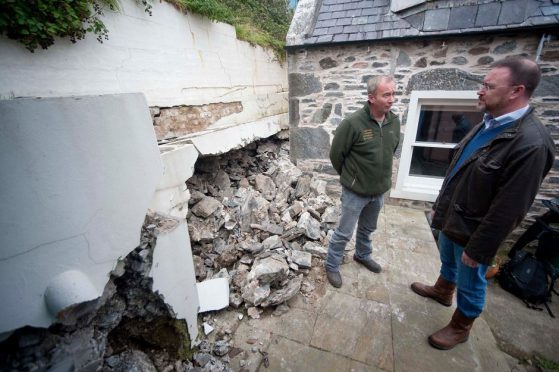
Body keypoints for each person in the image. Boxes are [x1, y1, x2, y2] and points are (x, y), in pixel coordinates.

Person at [410, 56, 555, 350]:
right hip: (456, 216)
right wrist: (441, 203)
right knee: (448, 259)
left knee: (472, 279)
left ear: (516, 91)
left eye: (488, 86)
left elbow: (511, 208)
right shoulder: (487, 123)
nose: (480, 90)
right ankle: (442, 290)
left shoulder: (531, 143)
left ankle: (461, 326)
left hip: (476, 231)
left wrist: (480, 248)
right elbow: (461, 167)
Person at [325, 75, 401, 288]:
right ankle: (331, 265)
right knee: (344, 232)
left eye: (393, 94)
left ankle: (362, 254)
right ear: (371, 97)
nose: (392, 99)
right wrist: (352, 177)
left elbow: (391, 150)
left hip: (379, 191)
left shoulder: (394, 122)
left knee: (368, 228)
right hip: (355, 192)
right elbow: (336, 155)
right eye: (386, 94)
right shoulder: (353, 123)